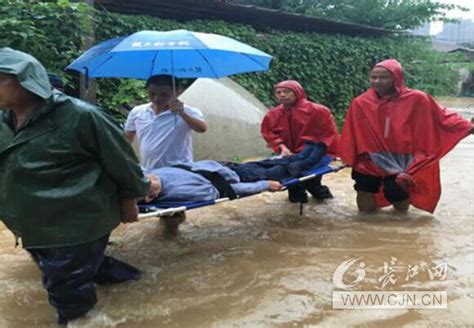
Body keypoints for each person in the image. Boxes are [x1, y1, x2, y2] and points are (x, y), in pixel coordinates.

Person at [0, 48, 158, 324]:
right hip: (33, 224)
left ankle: (79, 318)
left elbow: (122, 161)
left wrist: (129, 200)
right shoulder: (4, 122)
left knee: (65, 289)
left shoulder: (81, 116)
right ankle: (138, 282)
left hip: (77, 219)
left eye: (0, 79)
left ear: (27, 80)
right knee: (75, 269)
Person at [339, 58, 474, 213]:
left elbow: (442, 118)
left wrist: (467, 127)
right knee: (364, 190)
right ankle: (365, 225)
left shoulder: (418, 99)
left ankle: (402, 223)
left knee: (396, 192)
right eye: (373, 77)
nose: (376, 81)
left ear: (396, 78)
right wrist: (349, 156)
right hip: (370, 158)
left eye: (383, 77)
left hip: (403, 159)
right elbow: (351, 132)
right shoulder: (360, 102)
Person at [145, 141, 326, 203]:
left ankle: (307, 151)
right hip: (242, 178)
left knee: (274, 161)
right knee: (287, 169)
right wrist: (264, 185)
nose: (148, 179)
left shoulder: (155, 172)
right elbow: (228, 190)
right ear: (150, 197)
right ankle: (316, 154)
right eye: (148, 185)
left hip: (231, 167)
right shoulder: (183, 192)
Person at [261, 80, 339, 203]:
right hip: (289, 156)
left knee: (313, 185)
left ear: (297, 92)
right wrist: (281, 146)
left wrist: (326, 153)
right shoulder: (273, 114)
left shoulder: (318, 111)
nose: (282, 95)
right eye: (278, 92)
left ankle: (327, 202)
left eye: (286, 92)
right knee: (293, 189)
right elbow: (269, 133)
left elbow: (329, 133)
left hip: (311, 155)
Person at [124, 74, 207, 170]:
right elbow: (127, 139)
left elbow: (202, 128)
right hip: (148, 170)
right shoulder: (137, 112)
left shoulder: (189, 111)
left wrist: (182, 113)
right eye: (152, 94)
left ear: (177, 92)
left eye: (164, 95)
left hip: (180, 170)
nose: (157, 98)